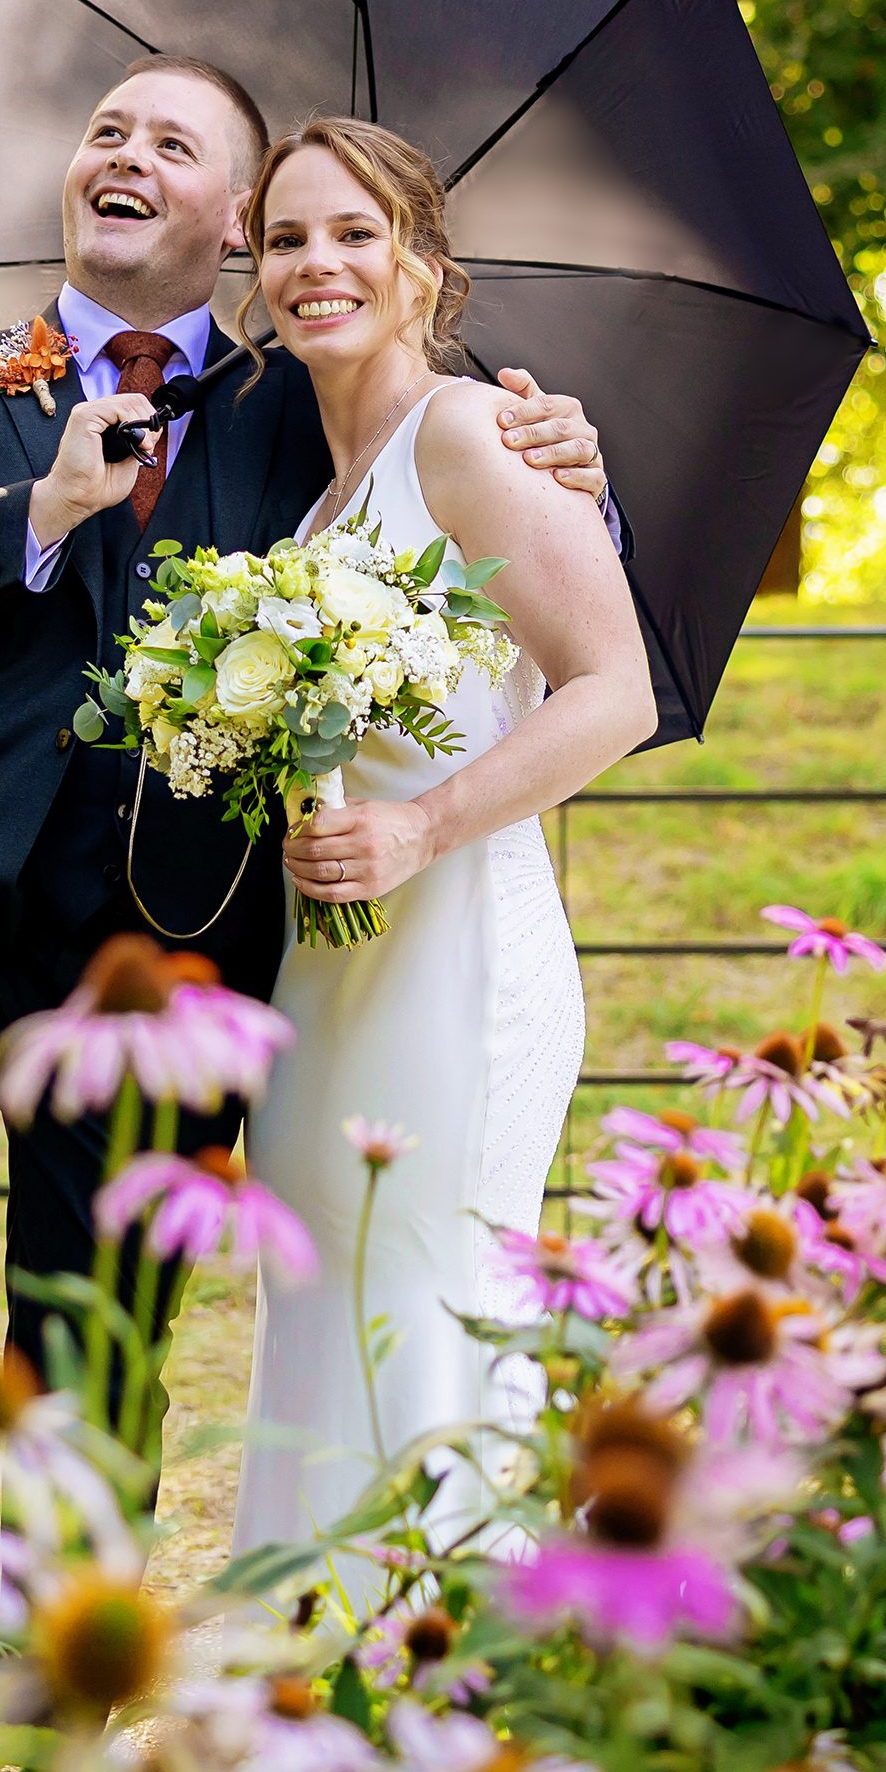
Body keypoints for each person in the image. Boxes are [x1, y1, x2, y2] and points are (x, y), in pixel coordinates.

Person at [0, 57, 614, 1394]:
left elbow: (454, 497)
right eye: (107, 131)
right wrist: (38, 511)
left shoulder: (307, 400)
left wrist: (571, 463)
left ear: (234, 222)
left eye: (174, 145)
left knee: (91, 1386)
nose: (127, 154)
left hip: (166, 969)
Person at [223, 117, 656, 1565]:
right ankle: (329, 1659)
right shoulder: (313, 502)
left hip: (461, 957)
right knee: (326, 1318)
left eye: (356, 232)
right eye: (288, 237)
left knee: (443, 1314)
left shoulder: (469, 433)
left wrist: (420, 825)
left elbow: (613, 691)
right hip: (329, 974)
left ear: (422, 263)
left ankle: (469, 1661)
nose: (318, 263)